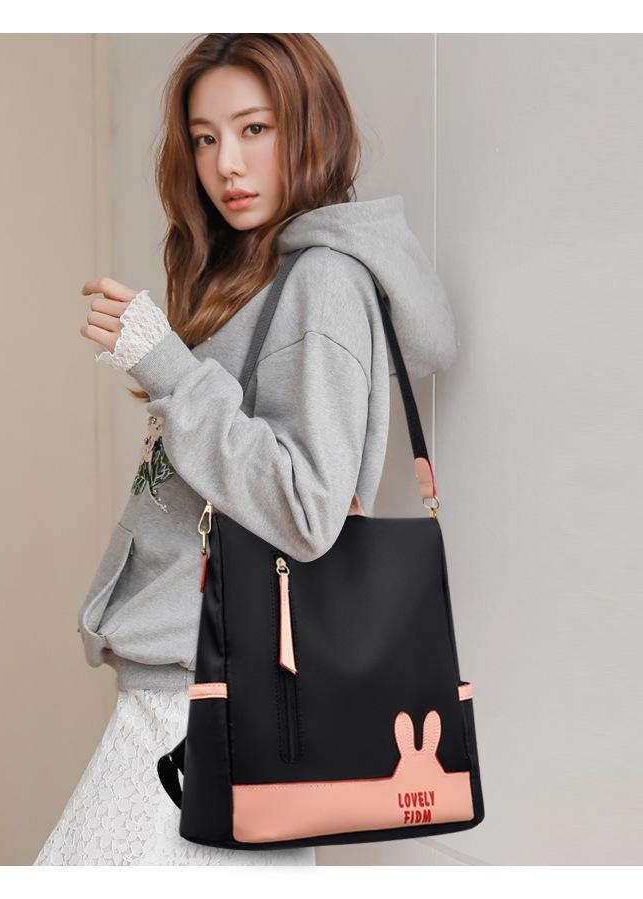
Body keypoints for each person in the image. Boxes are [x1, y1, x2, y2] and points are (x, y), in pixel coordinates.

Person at [33, 33, 456, 866]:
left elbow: (307, 509)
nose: (226, 163)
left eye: (254, 128)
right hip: (201, 691)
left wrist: (167, 365)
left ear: (311, 128)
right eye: (205, 137)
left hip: (211, 702)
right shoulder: (256, 276)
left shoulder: (322, 284)